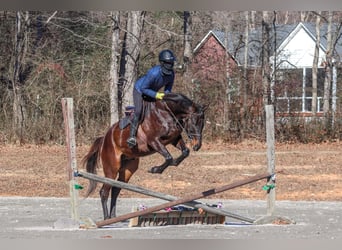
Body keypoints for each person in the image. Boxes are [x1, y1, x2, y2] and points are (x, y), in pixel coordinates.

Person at [126, 49, 176, 148]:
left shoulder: (171, 74)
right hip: (140, 90)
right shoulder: (153, 73)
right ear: (162, 63)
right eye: (168, 62)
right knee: (139, 111)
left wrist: (166, 95)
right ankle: (131, 137)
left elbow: (168, 88)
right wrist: (156, 95)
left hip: (153, 92)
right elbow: (144, 88)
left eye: (171, 62)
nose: (170, 65)